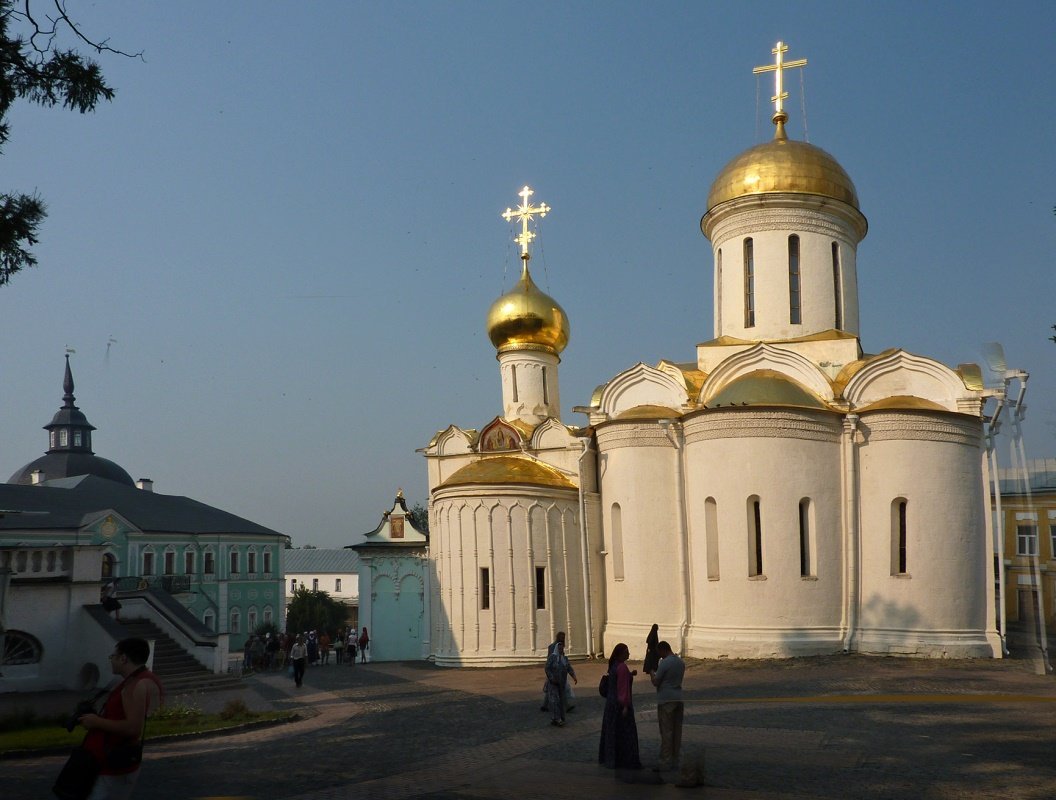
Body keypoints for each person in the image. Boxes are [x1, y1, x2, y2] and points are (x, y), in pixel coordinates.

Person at [77, 637, 163, 800]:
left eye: (113, 656)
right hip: (112, 760)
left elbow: (133, 728)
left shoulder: (134, 685)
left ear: (123, 658)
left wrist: (96, 721)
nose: (111, 660)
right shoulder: (137, 680)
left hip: (115, 764)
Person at [598, 642, 641, 776]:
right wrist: (625, 706)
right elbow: (623, 689)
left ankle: (611, 758)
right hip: (619, 705)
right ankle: (625, 760)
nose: (628, 653)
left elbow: (618, 680)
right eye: (626, 651)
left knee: (612, 732)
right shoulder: (622, 667)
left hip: (610, 705)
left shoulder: (613, 666)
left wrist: (630, 675)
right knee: (625, 733)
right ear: (621, 653)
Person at [649, 640, 686, 772]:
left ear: (663, 650)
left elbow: (656, 681)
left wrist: (652, 673)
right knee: (677, 732)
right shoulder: (680, 662)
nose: (659, 656)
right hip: (678, 697)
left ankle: (665, 761)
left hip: (666, 699)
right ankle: (676, 760)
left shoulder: (665, 663)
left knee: (666, 732)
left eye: (659, 653)